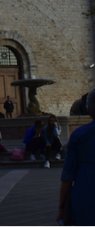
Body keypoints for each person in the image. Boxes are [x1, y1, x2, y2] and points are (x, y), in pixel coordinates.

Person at [57, 88, 95, 227]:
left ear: (89, 111)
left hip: (86, 198)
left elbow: (67, 177)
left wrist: (61, 209)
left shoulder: (79, 135)